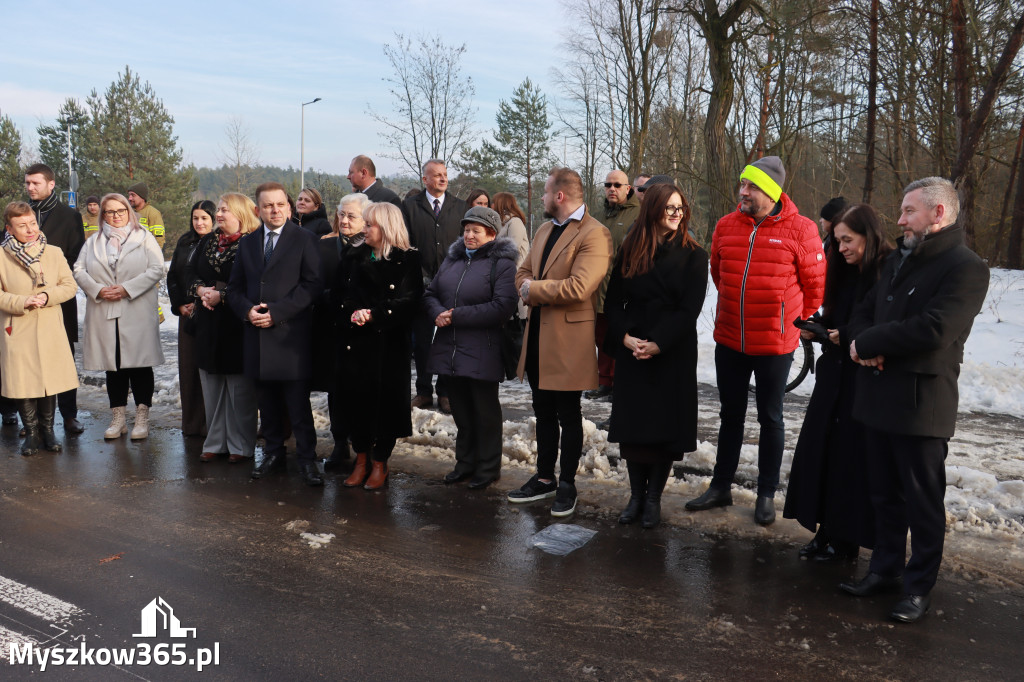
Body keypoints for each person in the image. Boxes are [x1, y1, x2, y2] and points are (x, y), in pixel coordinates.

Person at [840, 177, 989, 623]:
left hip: (922, 404)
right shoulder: (897, 261)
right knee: (883, 495)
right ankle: (884, 569)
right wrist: (859, 342)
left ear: (938, 214)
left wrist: (870, 343)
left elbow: (935, 329)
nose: (900, 219)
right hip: (878, 397)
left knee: (922, 503)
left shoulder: (966, 267)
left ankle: (918, 585)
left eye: (908, 211)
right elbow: (863, 311)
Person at [686, 156, 825, 525]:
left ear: (772, 191)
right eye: (742, 185)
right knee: (730, 415)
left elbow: (814, 289)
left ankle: (766, 493)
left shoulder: (802, 229)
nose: (742, 192)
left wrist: (785, 320)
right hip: (730, 338)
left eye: (751, 187)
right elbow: (719, 273)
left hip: (775, 345)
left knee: (771, 417)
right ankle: (720, 486)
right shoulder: (726, 225)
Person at [783, 204, 893, 561]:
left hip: (864, 377)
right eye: (837, 240)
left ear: (869, 236)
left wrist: (840, 335)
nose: (841, 247)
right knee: (823, 450)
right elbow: (840, 316)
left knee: (850, 458)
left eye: (848, 240)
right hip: (835, 373)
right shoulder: (842, 267)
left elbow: (878, 326)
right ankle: (825, 528)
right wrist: (822, 328)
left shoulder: (886, 270)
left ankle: (845, 538)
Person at [507, 167, 612, 517]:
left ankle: (567, 483)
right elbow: (523, 271)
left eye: (545, 192)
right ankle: (544, 478)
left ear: (560, 196)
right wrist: (527, 284)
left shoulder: (595, 234)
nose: (541, 198)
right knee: (543, 412)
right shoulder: (543, 228)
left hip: (568, 340)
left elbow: (579, 287)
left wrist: (532, 289)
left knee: (569, 414)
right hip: (537, 336)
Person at [604, 184, 708, 529]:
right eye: (669, 208)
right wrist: (625, 338)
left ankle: (653, 499)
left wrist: (659, 343)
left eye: (680, 208)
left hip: (671, 351)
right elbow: (613, 301)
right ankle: (635, 496)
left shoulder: (694, 254)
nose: (676, 213)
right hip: (633, 346)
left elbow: (689, 308)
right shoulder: (632, 248)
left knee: (663, 430)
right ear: (654, 211)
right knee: (635, 429)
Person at [226, 182, 323, 486]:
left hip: (290, 337)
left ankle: (307, 460)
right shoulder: (248, 243)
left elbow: (312, 286)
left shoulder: (305, 240)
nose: (275, 210)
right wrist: (247, 311)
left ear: (289, 207)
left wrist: (277, 312)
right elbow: (234, 288)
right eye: (268, 206)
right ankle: (273, 454)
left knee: (297, 406)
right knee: (266, 404)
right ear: (257, 210)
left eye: (280, 204)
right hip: (256, 336)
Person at [423, 206, 518, 489]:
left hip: (483, 349)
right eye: (466, 230)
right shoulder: (452, 261)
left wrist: (455, 315)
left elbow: (503, 306)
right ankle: (464, 464)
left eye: (476, 231)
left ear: (491, 234)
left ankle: (488, 468)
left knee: (485, 412)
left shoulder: (502, 264)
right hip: (449, 347)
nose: (469, 235)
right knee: (462, 412)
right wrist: (437, 311)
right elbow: (430, 293)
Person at [333, 202, 423, 490]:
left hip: (388, 346)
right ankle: (361, 460)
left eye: (370, 224)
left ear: (386, 227)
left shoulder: (407, 260)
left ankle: (380, 463)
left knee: (386, 408)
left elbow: (409, 302)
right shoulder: (353, 255)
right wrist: (352, 312)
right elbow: (338, 293)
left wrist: (375, 314)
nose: (365, 229)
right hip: (355, 343)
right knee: (355, 405)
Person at [73, 193, 165, 439]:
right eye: (110, 212)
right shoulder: (93, 242)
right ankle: (119, 418)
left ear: (129, 211)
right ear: (103, 214)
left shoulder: (143, 237)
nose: (115, 216)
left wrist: (127, 288)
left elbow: (157, 269)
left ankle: (142, 416)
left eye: (120, 211)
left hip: (135, 309)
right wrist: (97, 289)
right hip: (105, 309)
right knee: (113, 367)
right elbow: (79, 269)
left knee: (140, 365)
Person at [0, 202, 79, 456]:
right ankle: (31, 433)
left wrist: (46, 296)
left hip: (49, 325)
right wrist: (21, 302)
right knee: (22, 381)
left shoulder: (53, 252)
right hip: (17, 326)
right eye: (22, 225)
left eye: (32, 223)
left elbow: (69, 286)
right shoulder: (1, 256)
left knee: (49, 381)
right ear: (9, 229)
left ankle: (48, 431)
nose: (30, 229)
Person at [189, 193, 260, 464]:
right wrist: (200, 289)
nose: (218, 215)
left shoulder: (251, 243)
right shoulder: (208, 241)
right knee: (212, 386)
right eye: (218, 210)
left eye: (225, 210)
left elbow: (254, 283)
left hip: (237, 323)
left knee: (239, 390)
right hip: (208, 322)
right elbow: (190, 271)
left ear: (241, 214)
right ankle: (215, 441)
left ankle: (241, 445)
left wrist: (223, 294)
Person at [23, 163, 86, 433]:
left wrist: (51, 283)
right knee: (29, 359)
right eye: (27, 183)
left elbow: (76, 256)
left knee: (63, 357)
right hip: (24, 300)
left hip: (59, 298)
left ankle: (69, 414)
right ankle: (33, 420)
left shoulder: (69, 216)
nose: (30, 187)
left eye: (35, 183)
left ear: (51, 184)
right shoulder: (20, 213)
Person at [403, 159, 468, 414]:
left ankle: (445, 392)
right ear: (425, 180)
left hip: (452, 286)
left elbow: (465, 245)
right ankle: (423, 391)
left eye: (445, 175)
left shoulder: (460, 207)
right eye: (436, 175)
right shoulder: (409, 207)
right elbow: (405, 244)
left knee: (447, 340)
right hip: (419, 285)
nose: (442, 179)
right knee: (421, 342)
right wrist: (421, 276)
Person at [316, 192, 370, 473]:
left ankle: (364, 449)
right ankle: (340, 444)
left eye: (352, 216)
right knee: (335, 390)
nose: (345, 220)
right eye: (342, 214)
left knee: (361, 392)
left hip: (364, 330)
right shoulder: (324, 248)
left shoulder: (373, 249)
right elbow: (312, 285)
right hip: (332, 328)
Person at [589, 169, 641, 403]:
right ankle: (604, 382)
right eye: (608, 184)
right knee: (601, 337)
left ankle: (619, 382)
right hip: (597, 286)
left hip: (621, 288)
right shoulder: (600, 215)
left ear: (628, 189)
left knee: (618, 335)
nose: (612, 188)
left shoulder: (638, 214)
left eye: (617, 185)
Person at [167, 200, 214, 437]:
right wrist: (179, 305)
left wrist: (201, 300)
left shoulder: (218, 243)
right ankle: (191, 425)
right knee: (188, 370)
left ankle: (210, 426)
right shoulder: (185, 241)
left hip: (210, 312)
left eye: (204, 218)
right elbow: (173, 275)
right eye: (196, 218)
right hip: (187, 313)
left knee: (208, 369)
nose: (199, 223)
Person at [491, 192, 531, 322]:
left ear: (500, 204)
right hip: (504, 275)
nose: (491, 205)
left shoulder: (515, 222)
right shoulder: (503, 224)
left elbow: (513, 248)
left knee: (517, 321)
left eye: (493, 202)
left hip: (516, 275)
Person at [127, 182, 165, 249]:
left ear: (142, 197)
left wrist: (155, 255)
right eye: (129, 195)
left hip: (146, 254)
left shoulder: (153, 213)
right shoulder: (128, 212)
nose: (129, 198)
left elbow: (159, 238)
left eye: (133, 195)